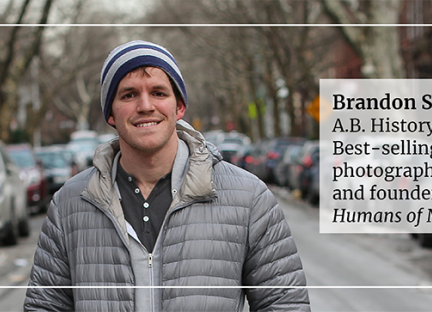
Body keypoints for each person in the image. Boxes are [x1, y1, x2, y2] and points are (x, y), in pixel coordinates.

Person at [24, 40, 310, 311]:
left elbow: (285, 304)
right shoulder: (69, 204)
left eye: (158, 93)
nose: (145, 105)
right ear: (110, 112)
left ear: (179, 107)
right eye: (129, 94)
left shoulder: (249, 198)